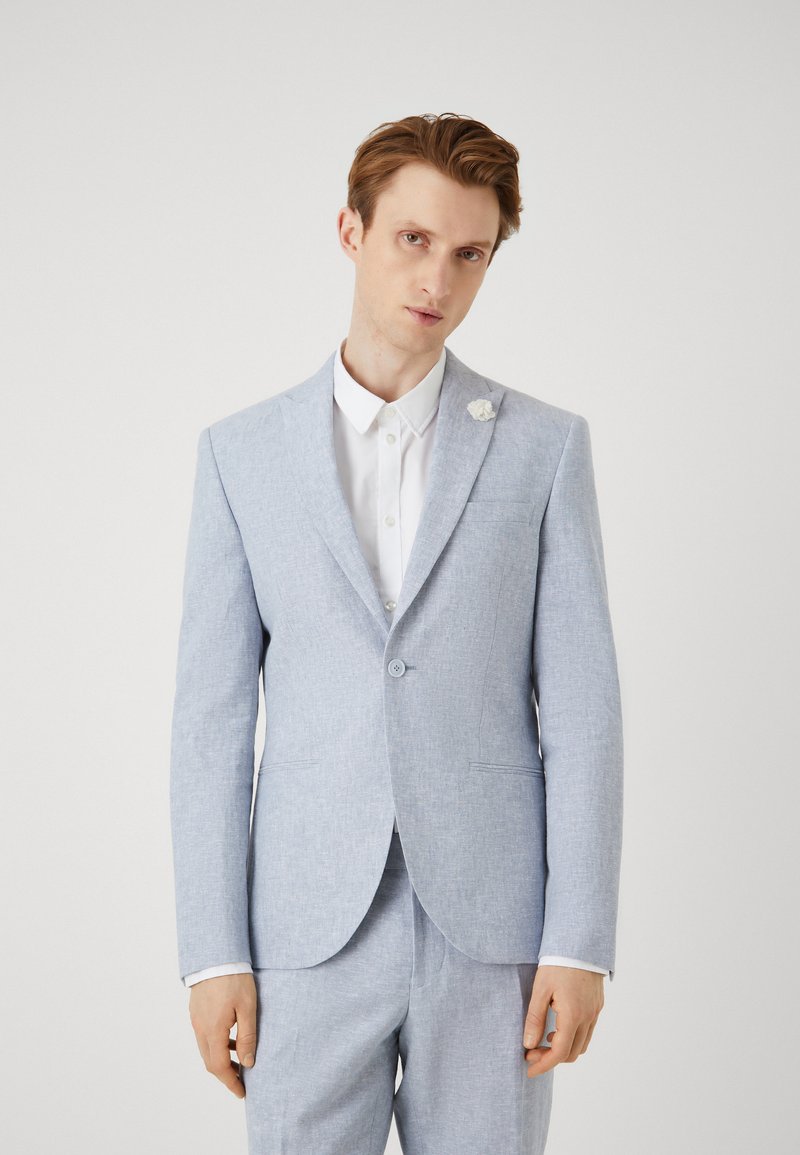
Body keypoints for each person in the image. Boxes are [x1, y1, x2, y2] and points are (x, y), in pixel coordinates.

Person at [170, 111, 624, 1154]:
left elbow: (585, 711)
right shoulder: (241, 456)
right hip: (300, 936)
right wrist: (212, 953)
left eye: (470, 254)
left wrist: (580, 940)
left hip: (493, 935)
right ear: (351, 231)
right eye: (412, 239)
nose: (437, 279)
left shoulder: (543, 450)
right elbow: (209, 722)